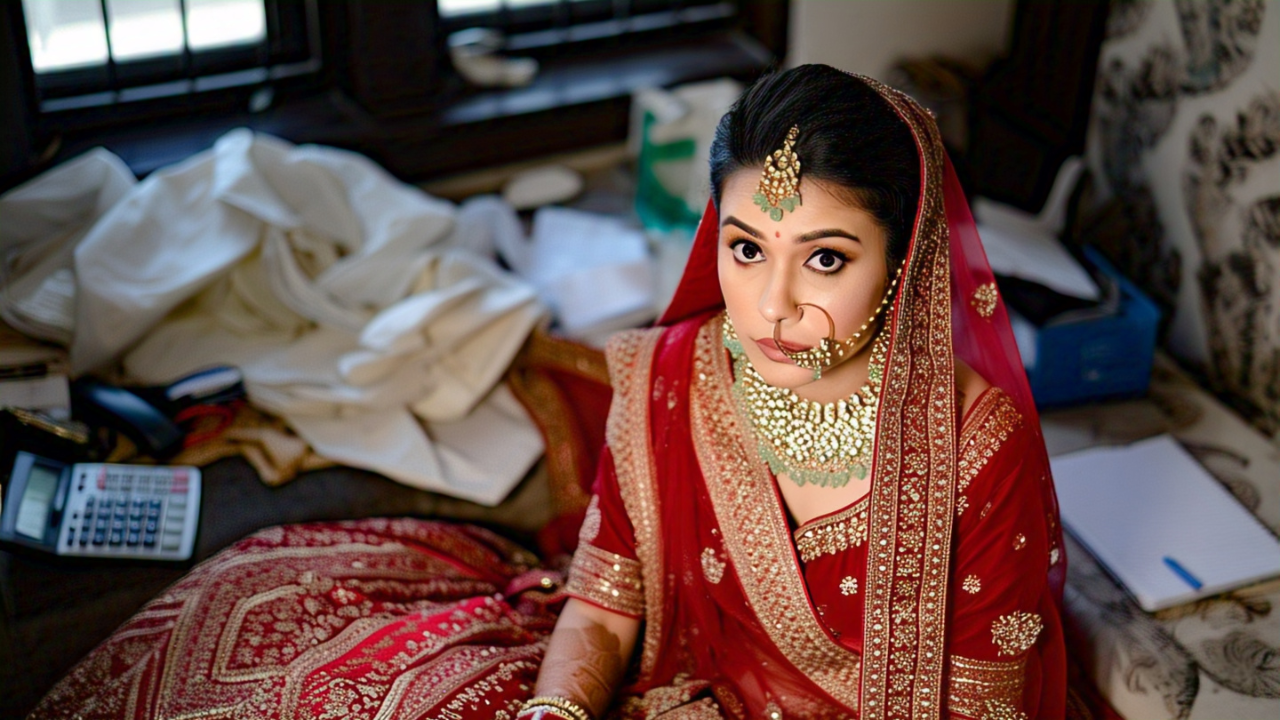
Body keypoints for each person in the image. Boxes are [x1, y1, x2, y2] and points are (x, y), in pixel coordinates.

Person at [29, 66, 1066, 720]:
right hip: (659, 687)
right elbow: (607, 598)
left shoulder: (973, 450)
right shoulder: (675, 377)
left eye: (826, 260)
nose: (773, 305)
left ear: (903, 262)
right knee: (290, 663)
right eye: (746, 248)